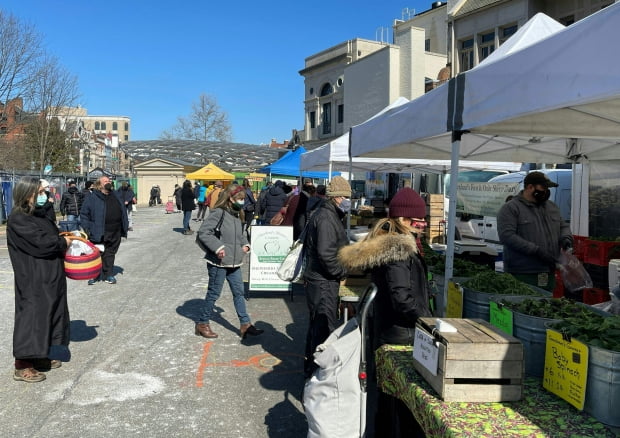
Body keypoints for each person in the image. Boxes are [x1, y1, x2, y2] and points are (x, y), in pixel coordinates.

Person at [338, 187, 432, 436]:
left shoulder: (395, 243)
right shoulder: (398, 250)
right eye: (417, 220)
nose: (422, 224)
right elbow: (401, 297)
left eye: (424, 219)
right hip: (400, 336)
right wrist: (428, 321)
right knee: (398, 404)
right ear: (402, 219)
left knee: (390, 401)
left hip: (392, 330)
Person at [7, 177, 72, 382]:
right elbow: (43, 244)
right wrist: (63, 241)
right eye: (41, 192)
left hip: (51, 276)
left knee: (50, 315)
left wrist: (64, 237)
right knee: (32, 318)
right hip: (33, 278)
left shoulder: (40, 215)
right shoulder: (19, 219)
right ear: (28, 194)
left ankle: (41, 355)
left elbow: (51, 237)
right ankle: (23, 364)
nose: (46, 195)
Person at [195, 184, 264, 340]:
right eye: (239, 199)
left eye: (242, 199)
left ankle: (245, 324)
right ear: (229, 198)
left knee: (239, 293)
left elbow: (240, 234)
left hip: (235, 261)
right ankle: (202, 323)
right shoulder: (218, 213)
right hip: (218, 262)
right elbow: (204, 233)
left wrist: (245, 244)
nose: (241, 202)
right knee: (214, 294)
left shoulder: (237, 214)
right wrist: (217, 247)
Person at [302, 175, 351, 378]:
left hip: (320, 279)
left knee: (318, 325)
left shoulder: (328, 214)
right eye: (347, 197)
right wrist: (340, 273)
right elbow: (326, 253)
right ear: (337, 197)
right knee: (323, 327)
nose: (349, 202)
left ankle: (311, 366)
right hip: (322, 281)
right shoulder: (326, 218)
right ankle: (317, 372)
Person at [498, 171, 573, 292]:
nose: (546, 191)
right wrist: (536, 251)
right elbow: (507, 236)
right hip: (522, 272)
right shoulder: (511, 208)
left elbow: (563, 226)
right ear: (530, 187)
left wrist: (566, 239)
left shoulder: (551, 207)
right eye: (543, 187)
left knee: (545, 304)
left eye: (548, 188)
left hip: (548, 270)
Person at [80, 176, 129, 285]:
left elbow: (123, 211)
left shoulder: (116, 195)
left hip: (115, 230)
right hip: (99, 230)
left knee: (110, 253)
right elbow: (84, 214)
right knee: (97, 253)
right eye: (105, 181)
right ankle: (95, 275)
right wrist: (88, 228)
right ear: (99, 184)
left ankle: (108, 274)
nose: (109, 182)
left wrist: (124, 226)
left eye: (109, 181)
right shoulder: (92, 197)